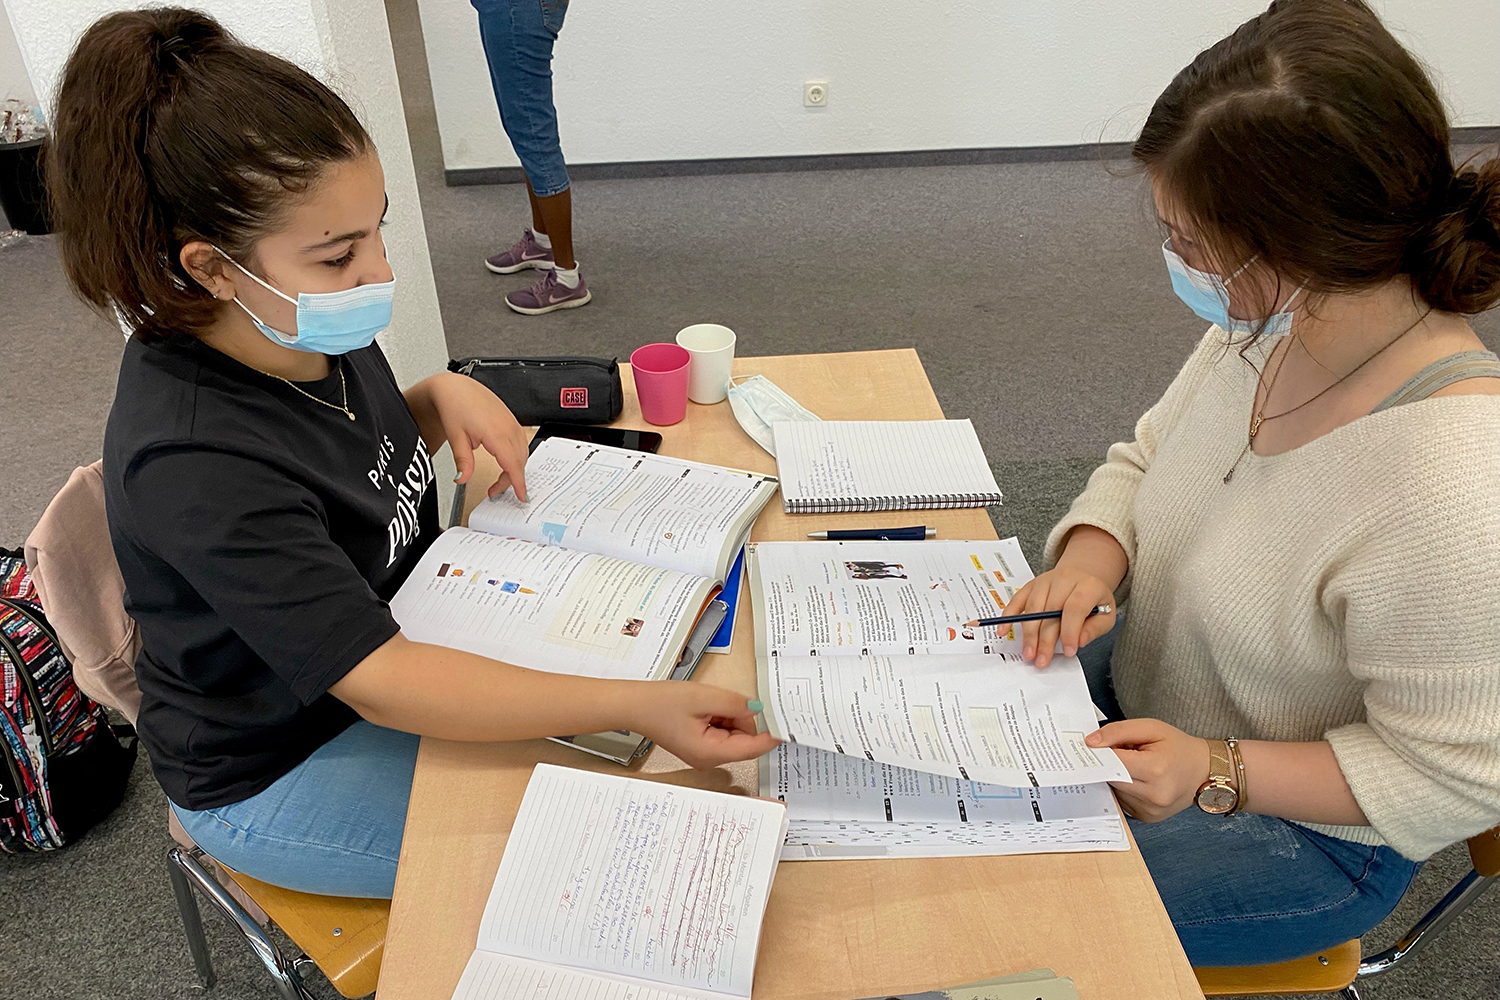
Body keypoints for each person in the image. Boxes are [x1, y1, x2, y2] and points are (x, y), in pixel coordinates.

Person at [47, 7, 774, 899]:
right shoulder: (196, 459)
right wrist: (633, 705)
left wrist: (432, 399)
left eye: (376, 228)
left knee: (673, 740)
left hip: (407, 632)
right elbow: (384, 682)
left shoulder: (303, 325)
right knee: (627, 848)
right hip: (283, 762)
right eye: (340, 254)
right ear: (211, 269)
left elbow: (337, 462)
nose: (379, 272)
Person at [1001, 0, 1500, 968]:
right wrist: (1092, 562)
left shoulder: (1456, 487)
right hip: (1157, 704)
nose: (1177, 265)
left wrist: (1218, 769)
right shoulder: (1276, 321)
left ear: (1296, 248)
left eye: (1190, 245)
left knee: (998, 925)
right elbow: (1146, 457)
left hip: (1302, 827)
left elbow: (1454, 775)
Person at [473, 0, 591, 315]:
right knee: (523, 130)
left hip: (519, 6)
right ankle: (543, 243)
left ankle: (567, 280)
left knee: (534, 135)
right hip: (505, 6)